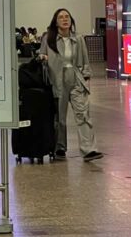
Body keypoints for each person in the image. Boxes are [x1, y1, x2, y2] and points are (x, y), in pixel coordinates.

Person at [41, 8, 103, 162]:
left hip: (75, 78)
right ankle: (60, 147)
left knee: (82, 114)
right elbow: (40, 55)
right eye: (61, 17)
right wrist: (42, 57)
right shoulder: (48, 39)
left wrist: (85, 75)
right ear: (56, 21)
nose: (64, 19)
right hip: (57, 80)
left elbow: (85, 60)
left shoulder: (78, 38)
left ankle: (89, 149)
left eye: (67, 16)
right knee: (60, 117)